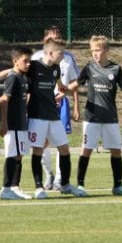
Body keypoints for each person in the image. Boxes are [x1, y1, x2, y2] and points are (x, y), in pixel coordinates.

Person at [62, 35, 122, 196]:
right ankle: (80, 185)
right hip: (92, 117)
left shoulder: (116, 69)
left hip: (110, 117)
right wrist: (62, 91)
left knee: (116, 151)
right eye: (92, 50)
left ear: (106, 50)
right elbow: (75, 84)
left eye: (97, 50)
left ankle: (118, 186)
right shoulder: (89, 68)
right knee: (86, 150)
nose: (95, 53)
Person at [27, 38, 85, 198]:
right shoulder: (34, 66)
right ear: (51, 53)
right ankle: (39, 188)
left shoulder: (56, 68)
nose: (63, 55)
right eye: (61, 52)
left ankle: (65, 185)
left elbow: (61, 86)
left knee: (64, 149)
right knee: (38, 150)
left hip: (53, 116)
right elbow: (13, 71)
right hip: (37, 117)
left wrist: (65, 91)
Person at [0, 47, 32, 200]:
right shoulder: (12, 77)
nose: (28, 64)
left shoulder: (22, 77)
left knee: (18, 155)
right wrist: (4, 123)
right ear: (15, 61)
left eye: (29, 61)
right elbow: (5, 101)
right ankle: (7, 188)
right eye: (25, 61)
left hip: (21, 123)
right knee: (13, 155)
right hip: (13, 124)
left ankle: (14, 187)